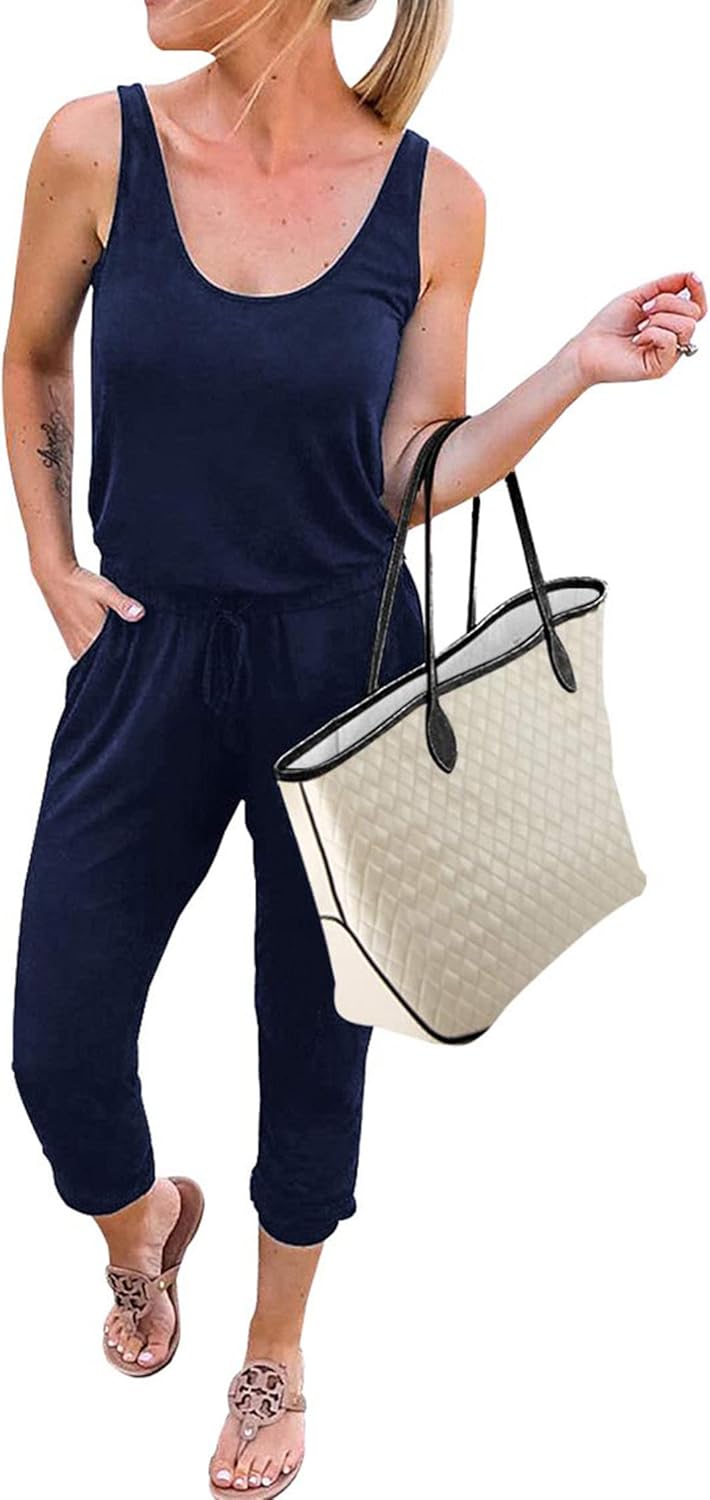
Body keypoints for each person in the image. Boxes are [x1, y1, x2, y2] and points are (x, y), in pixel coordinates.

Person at [3, 1, 703, 1495]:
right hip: (147, 650)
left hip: (347, 661)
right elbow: (35, 356)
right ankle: (142, 1225)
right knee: (58, 1042)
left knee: (312, 1036)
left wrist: (573, 369)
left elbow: (408, 470)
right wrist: (55, 568)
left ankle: (276, 1350)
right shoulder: (94, 146)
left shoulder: (436, 199)